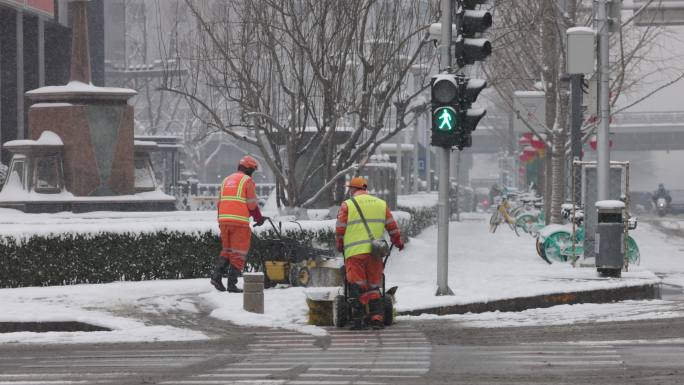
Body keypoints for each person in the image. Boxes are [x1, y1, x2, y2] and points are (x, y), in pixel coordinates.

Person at [335, 177, 404, 330]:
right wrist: (398, 241)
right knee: (373, 285)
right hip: (375, 252)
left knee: (356, 284)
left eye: (350, 189)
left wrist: (340, 245)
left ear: (353, 189)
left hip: (354, 253)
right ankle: (377, 318)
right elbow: (392, 226)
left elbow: (340, 228)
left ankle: (358, 318)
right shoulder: (381, 204)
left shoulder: (348, 205)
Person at [211, 155, 266, 293]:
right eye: (253, 170)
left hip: (224, 220)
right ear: (248, 169)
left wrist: (220, 221)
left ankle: (216, 276)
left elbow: (219, 203)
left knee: (227, 250)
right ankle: (232, 284)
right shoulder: (247, 181)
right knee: (239, 253)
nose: (253, 174)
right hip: (239, 222)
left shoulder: (226, 180)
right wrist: (259, 218)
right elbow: (252, 205)